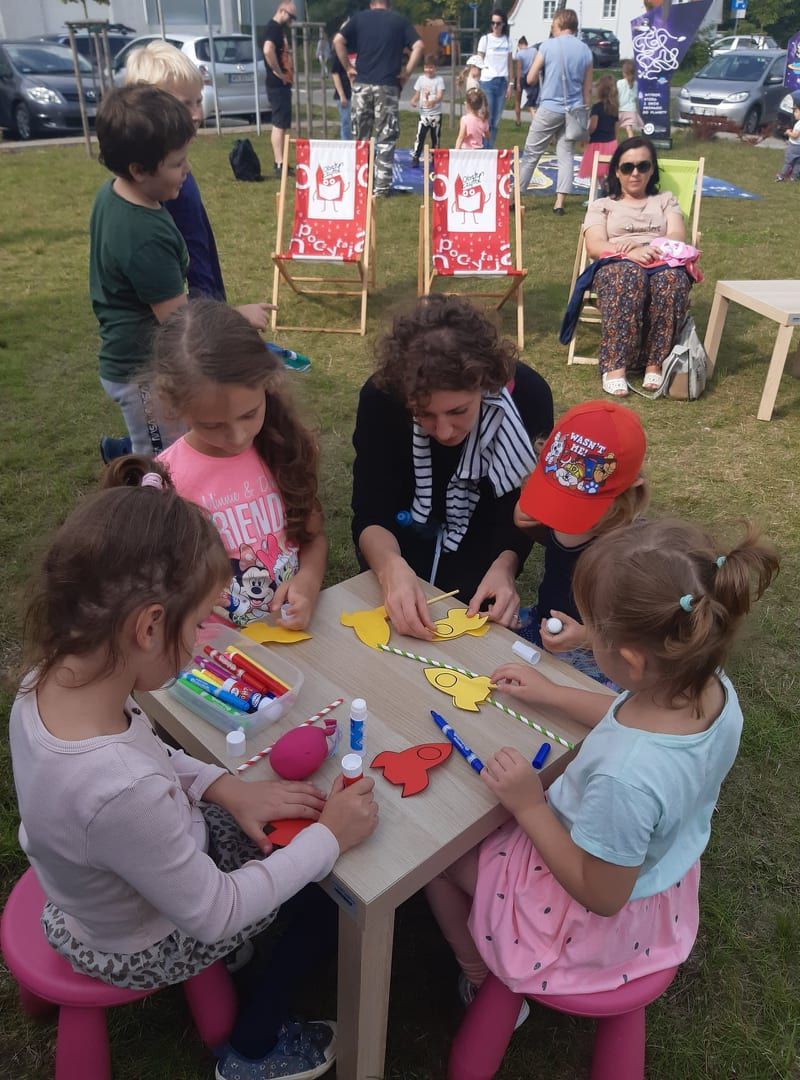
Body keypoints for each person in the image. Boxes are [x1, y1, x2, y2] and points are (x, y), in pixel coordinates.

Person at [9, 454, 379, 1080]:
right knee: (328, 896)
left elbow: (147, 755)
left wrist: (225, 787)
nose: (206, 639)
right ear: (150, 627)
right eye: (202, 620)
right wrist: (328, 839)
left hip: (90, 891)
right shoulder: (118, 789)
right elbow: (215, 913)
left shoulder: (48, 684)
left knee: (273, 819)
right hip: (143, 939)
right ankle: (254, 1048)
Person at [426, 518, 778, 1026]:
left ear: (633, 661)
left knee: (438, 854)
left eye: (597, 630)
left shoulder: (625, 779)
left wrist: (529, 805)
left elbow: (601, 894)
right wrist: (553, 692)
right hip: (657, 878)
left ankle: (479, 974)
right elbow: (624, 713)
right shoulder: (708, 686)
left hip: (583, 918)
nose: (589, 637)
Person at [351, 295, 554, 640]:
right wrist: (390, 569)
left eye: (458, 411)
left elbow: (520, 508)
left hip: (484, 546)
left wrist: (505, 568)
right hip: (395, 544)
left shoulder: (528, 398)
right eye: (424, 414)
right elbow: (371, 509)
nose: (444, 432)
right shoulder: (381, 400)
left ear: (485, 383)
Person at [123, 41, 310, 378]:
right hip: (183, 329)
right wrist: (226, 318)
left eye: (198, 101)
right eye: (184, 104)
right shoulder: (156, 188)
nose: (197, 114)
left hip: (202, 307)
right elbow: (168, 283)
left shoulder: (174, 171)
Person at [151, 300, 326, 631]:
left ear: (268, 384)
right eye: (213, 425)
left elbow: (313, 537)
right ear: (175, 406)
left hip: (290, 638)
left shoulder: (283, 446)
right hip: (216, 653)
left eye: (249, 414)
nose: (238, 436)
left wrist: (308, 581)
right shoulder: (167, 480)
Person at [514, 400, 648, 686]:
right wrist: (531, 521)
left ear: (629, 490)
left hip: (598, 654)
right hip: (543, 623)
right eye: (556, 498)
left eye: (575, 508)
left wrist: (589, 637)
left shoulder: (634, 553)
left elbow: (645, 633)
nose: (561, 515)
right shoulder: (558, 501)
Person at [90, 85, 193, 457]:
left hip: (139, 363)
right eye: (177, 163)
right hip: (141, 373)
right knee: (162, 458)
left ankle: (122, 454)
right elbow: (178, 321)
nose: (187, 170)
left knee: (166, 443)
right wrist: (237, 319)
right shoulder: (144, 235)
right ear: (138, 170)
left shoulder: (114, 192)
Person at [582, 136, 691, 396]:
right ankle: (615, 366)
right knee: (627, 276)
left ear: (652, 170)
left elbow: (676, 235)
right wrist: (630, 252)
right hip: (618, 262)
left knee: (672, 280)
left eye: (643, 166)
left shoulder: (665, 200)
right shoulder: (602, 205)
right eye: (627, 167)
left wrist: (650, 249)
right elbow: (595, 245)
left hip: (660, 260)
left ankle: (655, 363)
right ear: (616, 171)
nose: (635, 173)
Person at [333, 0, 424, 198]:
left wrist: (348, 68)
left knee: (360, 137)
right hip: (387, 85)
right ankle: (381, 188)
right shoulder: (399, 21)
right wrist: (406, 73)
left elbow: (338, 40)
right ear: (388, 4)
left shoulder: (359, 19)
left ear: (372, 3)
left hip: (362, 84)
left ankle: (360, 183)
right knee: (386, 137)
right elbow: (418, 45)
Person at [518, 8, 593, 215]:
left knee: (532, 152)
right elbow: (587, 89)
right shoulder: (585, 51)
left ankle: (516, 196)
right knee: (566, 155)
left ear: (559, 23)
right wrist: (585, 118)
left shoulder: (547, 46)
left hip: (550, 107)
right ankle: (559, 203)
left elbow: (531, 78)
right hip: (574, 110)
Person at [262, 2, 297, 178]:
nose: (291, 21)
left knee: (282, 124)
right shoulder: (274, 28)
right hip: (277, 84)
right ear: (282, 11)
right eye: (290, 17)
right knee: (279, 123)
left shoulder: (277, 29)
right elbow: (268, 49)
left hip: (281, 83)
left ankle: (282, 162)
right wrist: (278, 72)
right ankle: (279, 163)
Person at [476, 9, 513, 147]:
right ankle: (483, 148)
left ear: (503, 24)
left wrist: (511, 84)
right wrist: (475, 80)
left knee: (496, 121)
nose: (495, 26)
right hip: (487, 82)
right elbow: (478, 61)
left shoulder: (507, 41)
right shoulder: (485, 39)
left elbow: (510, 64)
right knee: (487, 118)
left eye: (498, 23)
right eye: (493, 23)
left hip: (502, 82)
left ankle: (489, 147)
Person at [577, 73, 619, 186]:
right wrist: (615, 142)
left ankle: (595, 192)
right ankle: (606, 189)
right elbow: (616, 128)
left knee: (595, 172)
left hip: (596, 145)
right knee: (607, 171)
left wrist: (584, 137)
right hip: (611, 143)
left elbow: (593, 127)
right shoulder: (615, 108)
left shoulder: (597, 107)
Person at [410, 54, 445, 167]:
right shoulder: (421, 79)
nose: (428, 70)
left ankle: (435, 157)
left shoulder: (439, 80)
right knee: (420, 137)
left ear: (435, 68)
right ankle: (416, 156)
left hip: (436, 115)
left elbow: (440, 95)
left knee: (435, 138)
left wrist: (434, 101)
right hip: (423, 115)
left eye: (431, 67)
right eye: (426, 67)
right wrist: (413, 100)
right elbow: (417, 93)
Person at [330, 41, 353, 141]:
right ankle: (346, 144)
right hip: (345, 93)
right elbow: (335, 74)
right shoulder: (339, 52)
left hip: (358, 92)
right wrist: (342, 95)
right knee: (346, 122)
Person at [512, 35, 537, 125]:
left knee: (517, 101)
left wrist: (518, 83)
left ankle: (518, 120)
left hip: (521, 77)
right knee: (531, 101)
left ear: (519, 45)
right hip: (531, 76)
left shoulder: (519, 54)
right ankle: (535, 118)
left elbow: (519, 69)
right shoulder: (534, 51)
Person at [617, 58, 642, 139]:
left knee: (615, 128)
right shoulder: (636, 84)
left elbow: (616, 95)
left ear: (624, 73)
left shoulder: (619, 83)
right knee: (629, 129)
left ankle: (613, 143)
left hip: (620, 109)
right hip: (631, 110)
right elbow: (636, 96)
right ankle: (631, 141)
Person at [776, 97, 800, 181]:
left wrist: (788, 132)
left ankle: (781, 176)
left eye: (796, 111)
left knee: (788, 161)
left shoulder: (799, 124)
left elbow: (795, 136)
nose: (794, 113)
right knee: (798, 163)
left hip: (794, 146)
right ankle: (794, 177)